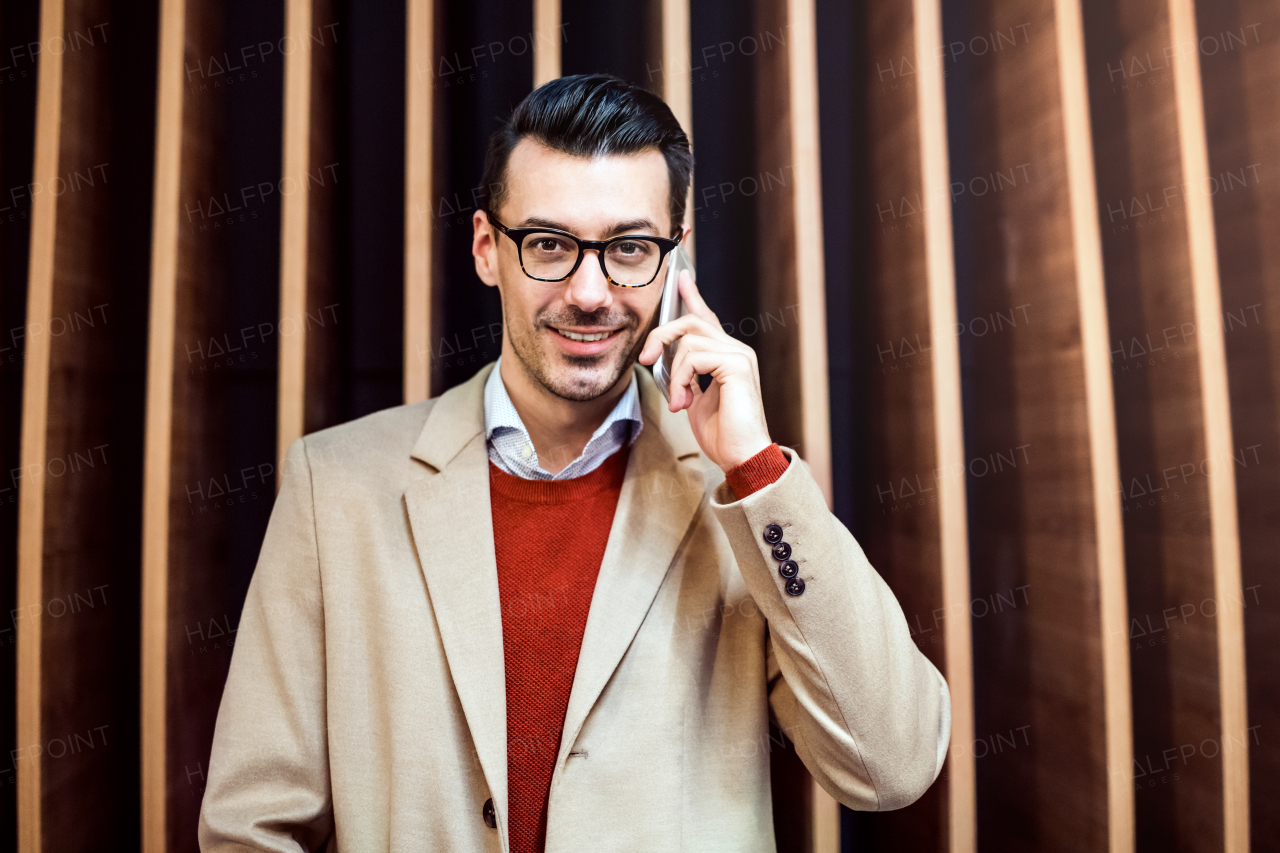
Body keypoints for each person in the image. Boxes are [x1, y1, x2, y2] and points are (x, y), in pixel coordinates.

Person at [198, 74, 950, 853]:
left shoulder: (744, 500)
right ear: (488, 248)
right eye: (550, 245)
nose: (591, 293)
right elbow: (250, 828)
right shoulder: (335, 487)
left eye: (628, 249)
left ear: (673, 257)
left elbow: (892, 763)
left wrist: (754, 468)